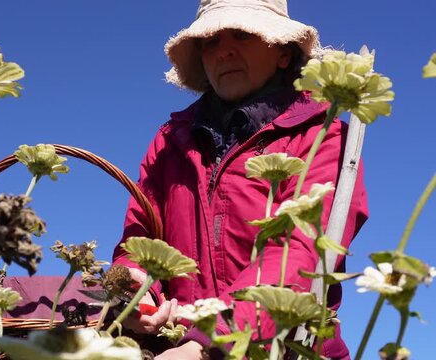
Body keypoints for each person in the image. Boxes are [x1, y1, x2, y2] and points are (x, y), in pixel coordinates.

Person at [111, 1, 369, 359]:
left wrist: (207, 343)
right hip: (175, 345)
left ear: (282, 52)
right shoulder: (169, 140)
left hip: (290, 349)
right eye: (210, 41)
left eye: (243, 35)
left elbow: (302, 250)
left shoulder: (322, 135)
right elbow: (138, 239)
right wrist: (137, 291)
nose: (224, 51)